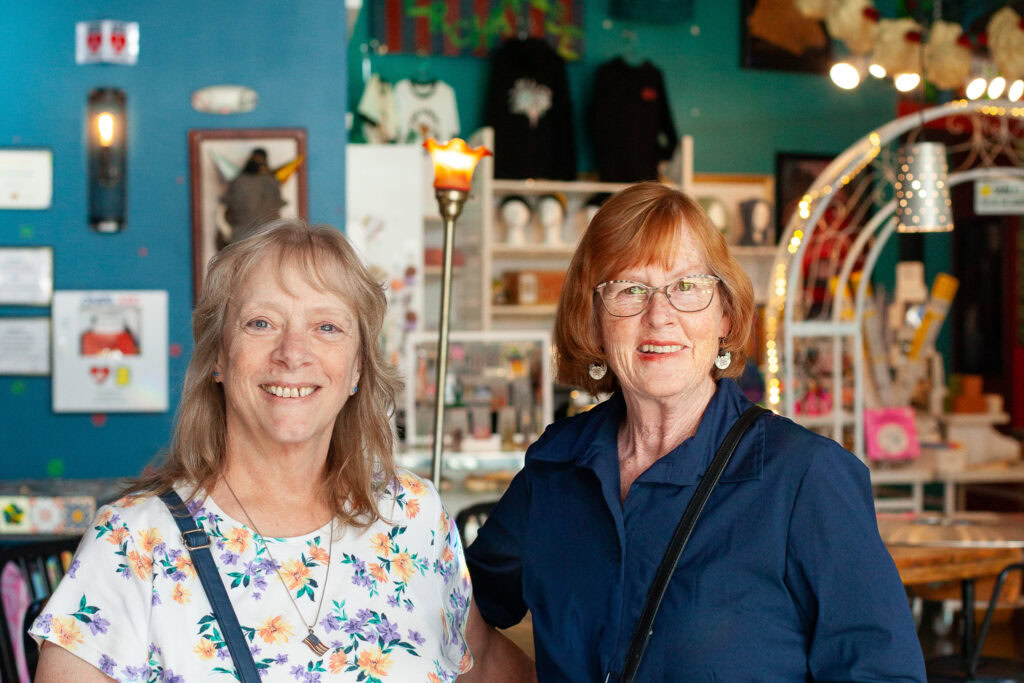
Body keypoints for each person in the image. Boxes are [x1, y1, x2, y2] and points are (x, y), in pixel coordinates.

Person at [463, 182, 925, 681]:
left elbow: (884, 673)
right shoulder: (555, 469)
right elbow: (453, 620)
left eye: (687, 287)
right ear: (593, 320)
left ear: (725, 315)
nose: (660, 316)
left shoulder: (805, 477)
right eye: (629, 290)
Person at [32, 219, 472, 682]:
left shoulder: (416, 515)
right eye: (261, 323)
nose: (293, 352)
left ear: (358, 367)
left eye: (327, 326)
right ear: (219, 357)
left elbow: (480, 664)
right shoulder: (131, 543)